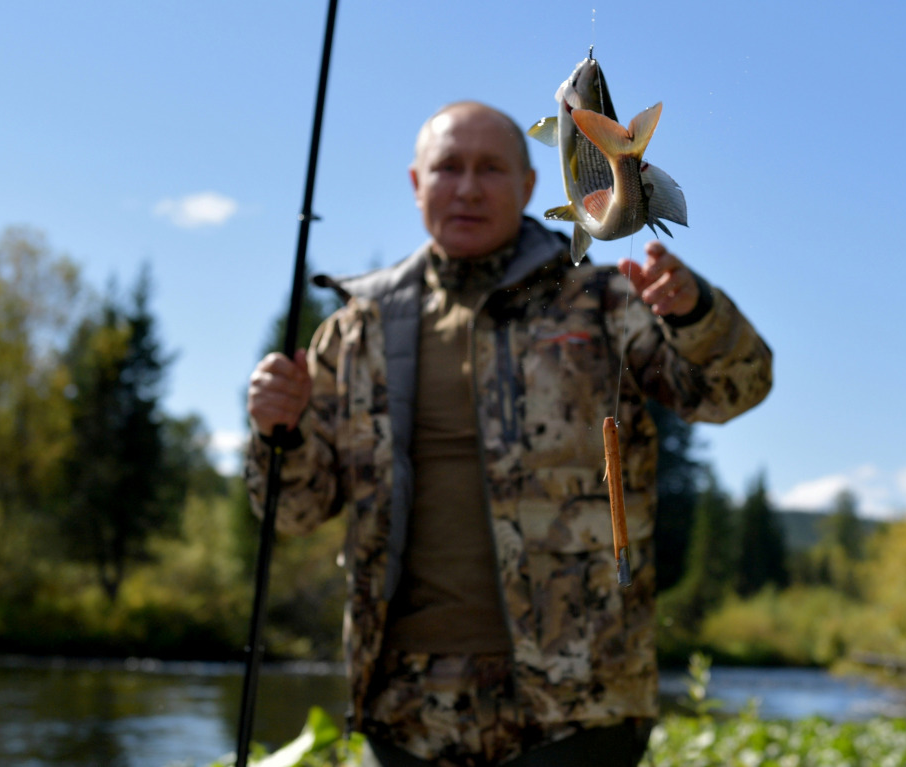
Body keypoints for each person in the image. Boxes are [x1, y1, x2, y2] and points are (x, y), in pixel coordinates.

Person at [246, 100, 772, 767]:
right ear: (416, 184)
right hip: (404, 711)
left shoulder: (605, 300)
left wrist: (695, 312)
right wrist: (276, 433)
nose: (467, 187)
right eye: (448, 168)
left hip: (579, 708)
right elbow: (291, 511)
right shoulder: (354, 331)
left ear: (529, 186)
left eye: (491, 168)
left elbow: (739, 386)